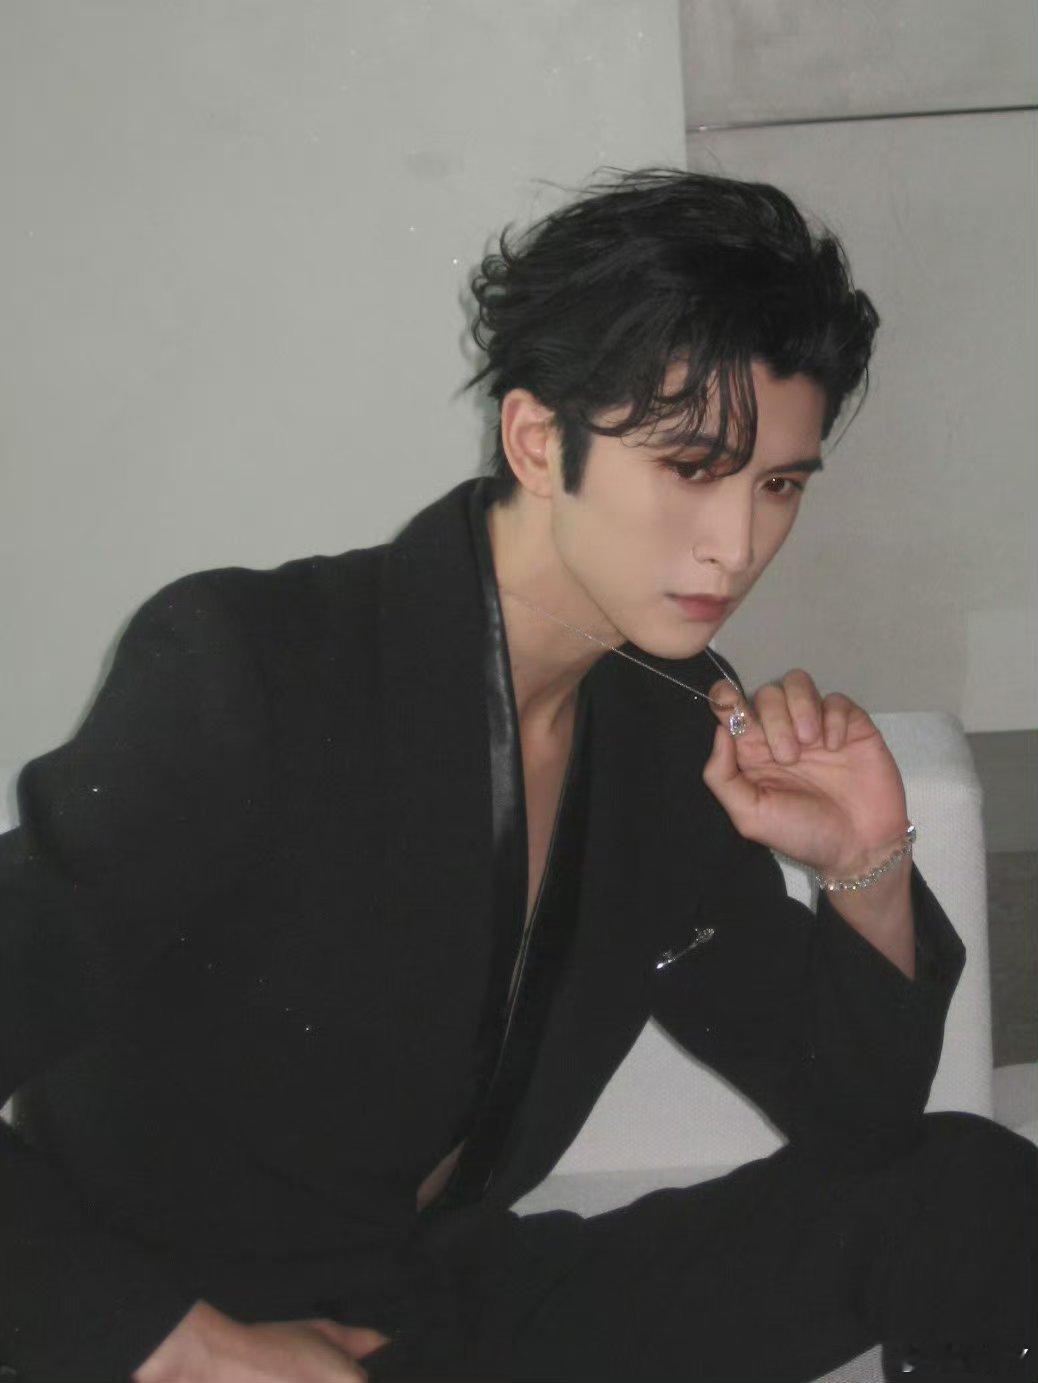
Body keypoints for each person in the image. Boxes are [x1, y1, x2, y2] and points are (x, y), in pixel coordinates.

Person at [0, 168, 1034, 1383]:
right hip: (169, 1317)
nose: (738, 544)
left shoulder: (661, 729)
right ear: (540, 442)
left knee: (960, 1194)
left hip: (431, 1299)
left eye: (778, 484)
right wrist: (177, 1349)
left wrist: (866, 869)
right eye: (690, 466)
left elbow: (857, 1129)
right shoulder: (256, 670)